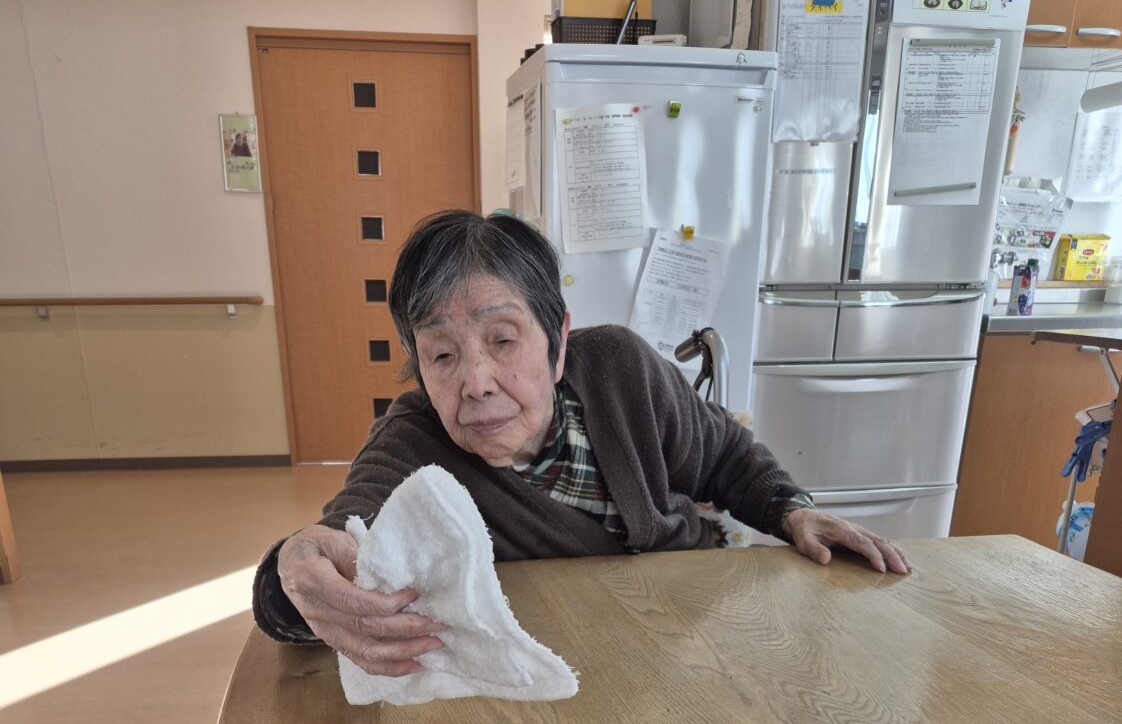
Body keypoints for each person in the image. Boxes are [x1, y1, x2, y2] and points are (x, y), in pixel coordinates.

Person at [253, 210, 909, 677]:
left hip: (692, 632)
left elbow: (727, 458)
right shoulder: (413, 444)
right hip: (562, 666)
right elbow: (341, 537)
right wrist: (295, 572)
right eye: (442, 354)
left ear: (558, 341)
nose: (476, 382)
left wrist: (792, 509)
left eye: (502, 341)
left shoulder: (623, 369)